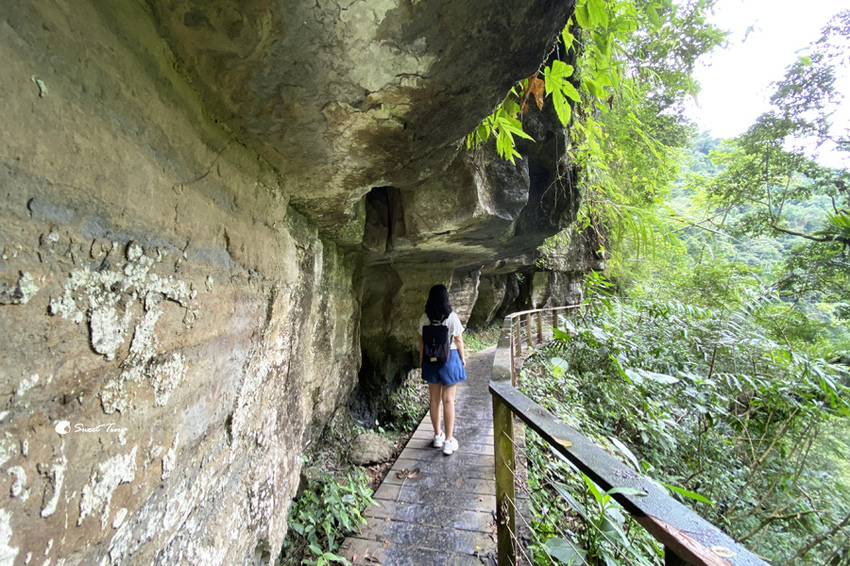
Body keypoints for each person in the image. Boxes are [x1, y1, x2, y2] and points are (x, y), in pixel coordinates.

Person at [418, 284, 467, 455]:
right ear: (446, 298)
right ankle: (448, 441)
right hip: (449, 359)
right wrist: (462, 358)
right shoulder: (451, 317)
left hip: (430, 361)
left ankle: (437, 436)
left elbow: (422, 342)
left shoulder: (425, 317)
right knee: (448, 400)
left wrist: (421, 361)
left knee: (434, 400)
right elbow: (458, 340)